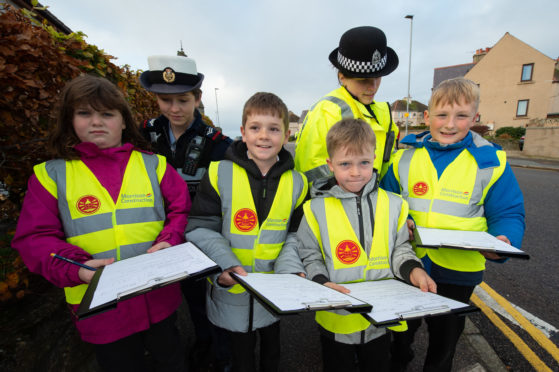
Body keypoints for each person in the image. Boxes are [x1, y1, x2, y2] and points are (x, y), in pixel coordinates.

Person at [11, 75, 190, 372]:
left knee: (171, 360)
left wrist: (170, 239)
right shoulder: (51, 176)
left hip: (157, 297)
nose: (97, 122)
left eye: (107, 114)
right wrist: (76, 268)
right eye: (84, 113)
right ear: (70, 121)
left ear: (123, 121)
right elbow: (35, 238)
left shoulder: (154, 164)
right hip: (101, 307)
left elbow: (181, 210)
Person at [381, 78, 525, 372]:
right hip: (408, 264)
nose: (450, 124)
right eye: (442, 115)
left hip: (458, 272)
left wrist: (504, 240)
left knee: (444, 343)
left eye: (461, 116)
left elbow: (508, 212)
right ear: (427, 117)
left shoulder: (491, 161)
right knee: (399, 335)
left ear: (475, 118)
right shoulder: (403, 157)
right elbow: (385, 203)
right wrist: (399, 221)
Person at [296, 118, 436, 372]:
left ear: (374, 158)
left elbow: (401, 249)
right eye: (345, 164)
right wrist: (320, 281)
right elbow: (309, 254)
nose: (355, 172)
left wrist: (414, 270)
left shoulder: (395, 204)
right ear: (330, 165)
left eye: (364, 163)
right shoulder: (315, 209)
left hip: (380, 319)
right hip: (337, 319)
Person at [185, 92, 308, 372]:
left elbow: (296, 235)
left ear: (287, 134)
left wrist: (289, 269)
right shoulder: (218, 173)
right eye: (255, 128)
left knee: (272, 354)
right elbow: (201, 228)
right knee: (240, 359)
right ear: (242, 132)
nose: (264, 136)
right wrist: (224, 268)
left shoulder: (298, 183)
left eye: (274, 129)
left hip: (274, 292)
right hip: (232, 288)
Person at [139, 54, 232, 370]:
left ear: (198, 98)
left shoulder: (218, 144)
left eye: (182, 99)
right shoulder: (142, 136)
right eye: (165, 100)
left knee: (203, 301)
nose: (174, 108)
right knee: (163, 304)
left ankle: (215, 353)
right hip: (156, 236)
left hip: (198, 238)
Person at [294, 26, 399, 184]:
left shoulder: (383, 112)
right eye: (363, 80)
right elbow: (311, 171)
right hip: (335, 205)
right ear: (342, 77)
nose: (373, 86)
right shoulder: (326, 111)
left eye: (378, 77)